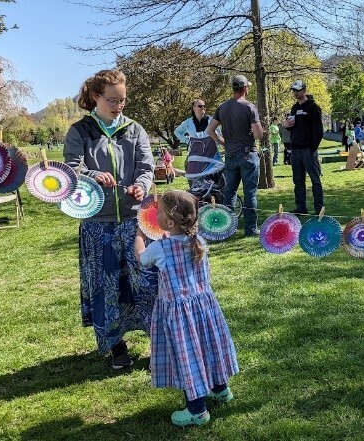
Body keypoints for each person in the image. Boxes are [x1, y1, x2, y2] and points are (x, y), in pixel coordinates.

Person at [63, 69, 159, 369]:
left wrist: (141, 185)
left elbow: (146, 165)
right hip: (97, 223)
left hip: (135, 221)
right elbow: (71, 169)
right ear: (95, 97)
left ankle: (159, 341)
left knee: (146, 283)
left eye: (123, 100)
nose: (119, 106)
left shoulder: (134, 129)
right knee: (107, 286)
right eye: (112, 100)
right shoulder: (80, 131)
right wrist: (93, 174)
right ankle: (117, 347)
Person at [134, 190, 239, 427]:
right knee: (208, 349)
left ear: (169, 222)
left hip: (180, 317)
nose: (155, 215)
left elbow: (141, 258)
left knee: (188, 359)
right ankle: (221, 390)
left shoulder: (159, 249)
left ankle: (197, 411)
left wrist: (140, 233)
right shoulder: (199, 241)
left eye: (159, 212)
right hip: (205, 310)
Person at [207, 75, 263, 236]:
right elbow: (259, 135)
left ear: (233, 88)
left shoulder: (223, 107)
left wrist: (223, 142)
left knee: (230, 192)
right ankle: (250, 229)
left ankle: (226, 228)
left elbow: (210, 130)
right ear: (245, 88)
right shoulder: (249, 107)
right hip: (247, 155)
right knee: (250, 193)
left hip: (230, 156)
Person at [285, 79, 324, 215]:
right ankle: (301, 208)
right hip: (296, 149)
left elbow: (318, 131)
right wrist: (287, 127)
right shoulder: (294, 108)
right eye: (294, 90)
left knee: (315, 180)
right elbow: (294, 128)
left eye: (298, 90)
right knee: (298, 180)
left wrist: (312, 148)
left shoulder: (313, 108)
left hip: (308, 150)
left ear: (304, 90)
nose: (295, 93)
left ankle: (319, 208)